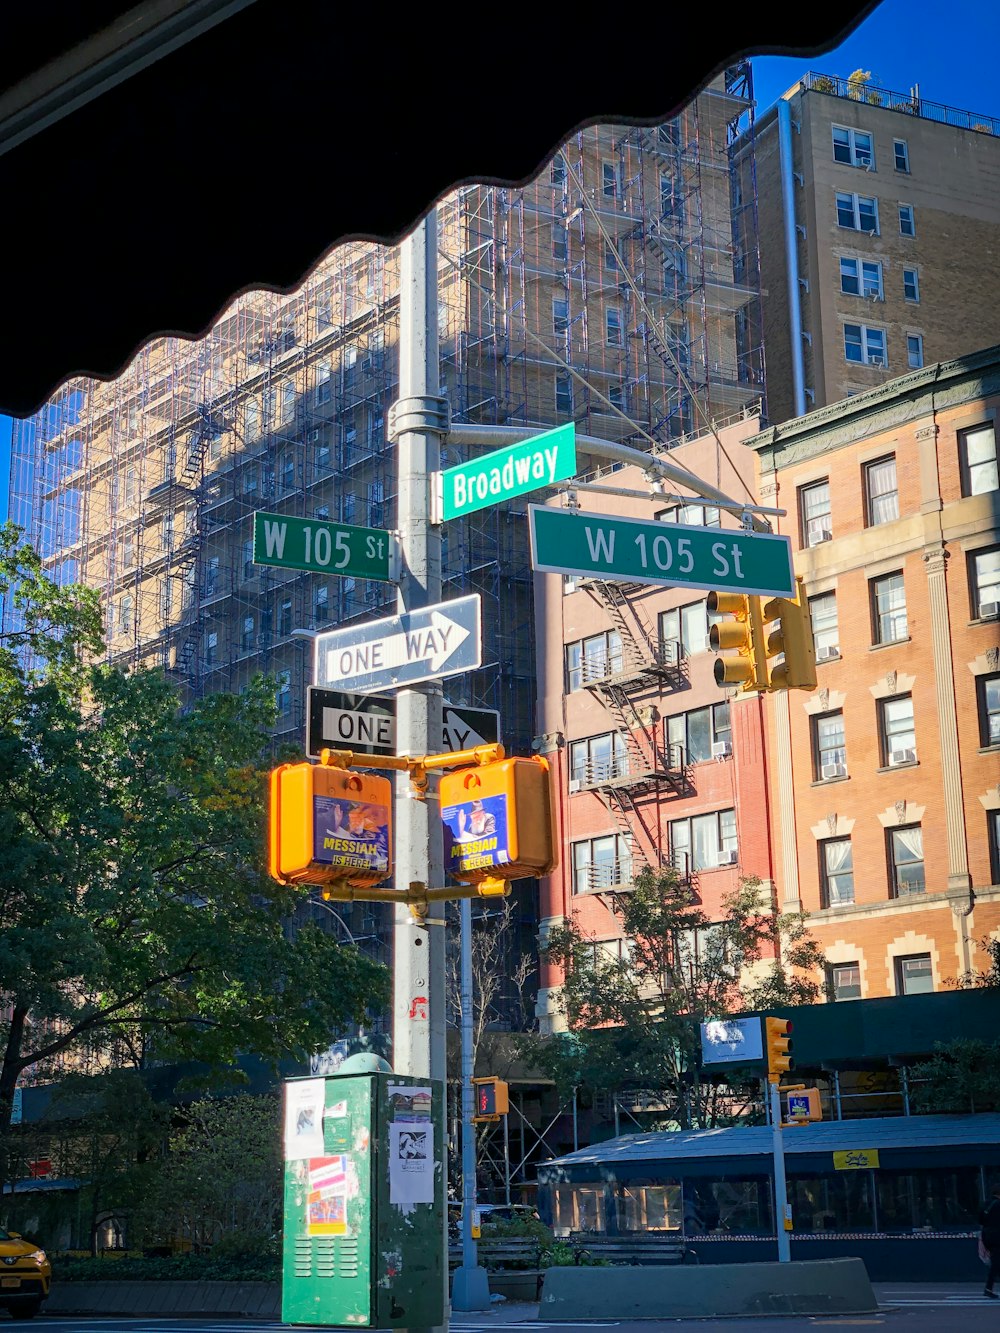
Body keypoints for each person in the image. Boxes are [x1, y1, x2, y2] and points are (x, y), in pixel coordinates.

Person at [980, 1183, 1000, 1299]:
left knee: (996, 1261)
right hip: (997, 1236)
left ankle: (989, 1287)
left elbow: (980, 1220)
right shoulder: (998, 1205)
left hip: (987, 1236)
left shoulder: (986, 1204)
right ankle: (988, 1288)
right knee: (996, 1263)